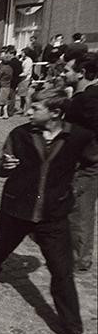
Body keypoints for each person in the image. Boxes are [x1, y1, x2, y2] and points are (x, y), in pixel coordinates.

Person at [0, 88, 97, 334]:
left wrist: (75, 190)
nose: (28, 112)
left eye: (36, 108)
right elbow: (0, 165)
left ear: (55, 113)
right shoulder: (20, 134)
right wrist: (4, 166)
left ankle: (74, 331)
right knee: (3, 245)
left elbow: (92, 165)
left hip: (53, 214)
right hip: (17, 208)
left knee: (63, 273)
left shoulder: (79, 137)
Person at [63, 54, 98, 272]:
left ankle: (80, 257)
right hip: (89, 160)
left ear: (82, 73)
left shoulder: (85, 100)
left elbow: (72, 133)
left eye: (67, 70)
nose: (63, 73)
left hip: (87, 163)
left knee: (81, 211)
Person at [0, 49, 14, 120]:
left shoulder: (3, 69)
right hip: (8, 86)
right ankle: (5, 114)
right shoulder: (10, 68)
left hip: (2, 86)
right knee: (5, 101)